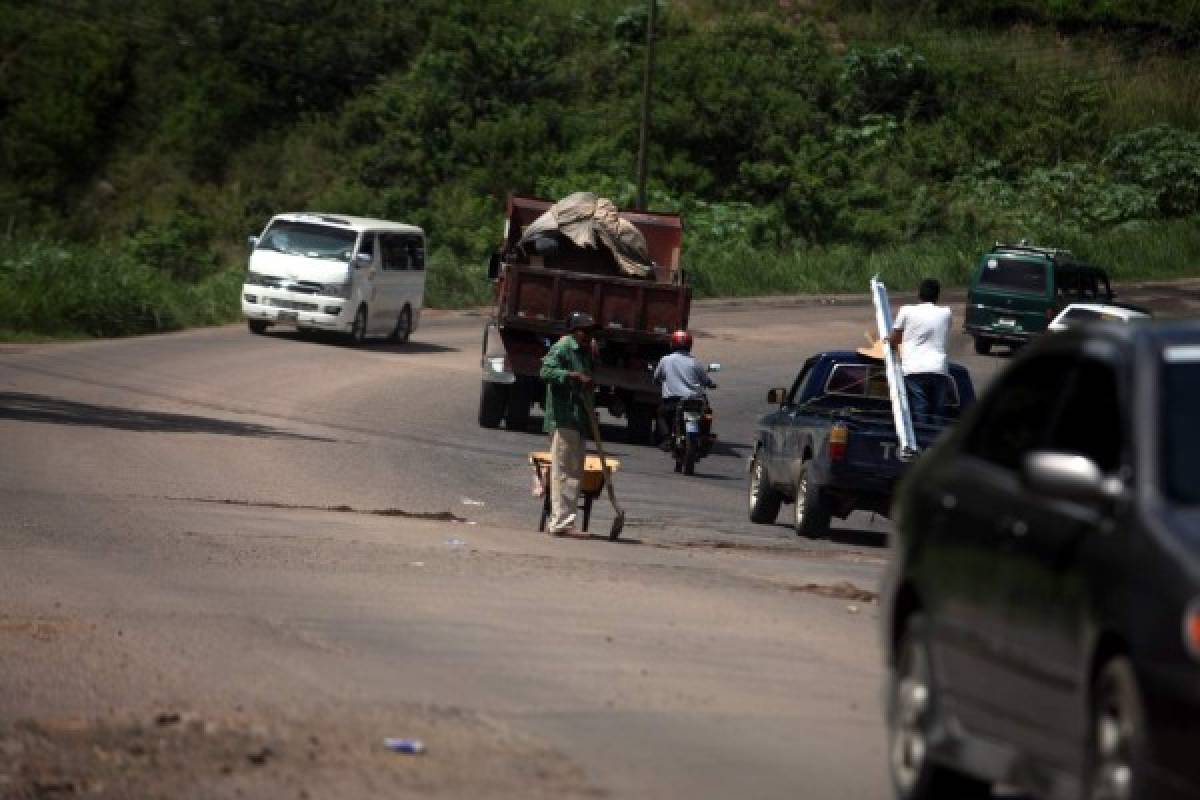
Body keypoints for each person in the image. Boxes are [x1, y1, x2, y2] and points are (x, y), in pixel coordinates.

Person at [539, 311, 597, 536]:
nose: (590, 335)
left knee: (574, 473)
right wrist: (571, 375)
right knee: (564, 472)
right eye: (587, 331)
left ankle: (566, 521)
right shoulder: (563, 347)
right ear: (576, 331)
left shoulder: (584, 351)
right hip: (564, 417)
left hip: (578, 419)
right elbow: (546, 371)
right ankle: (561, 523)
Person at [889, 278, 953, 423]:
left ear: (919, 294)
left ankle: (921, 438)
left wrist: (889, 341)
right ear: (937, 296)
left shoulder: (906, 310)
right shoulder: (946, 313)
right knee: (938, 410)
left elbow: (895, 339)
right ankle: (935, 440)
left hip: (914, 369)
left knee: (920, 407)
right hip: (938, 368)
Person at [653, 330, 716, 449]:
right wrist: (711, 384)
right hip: (696, 400)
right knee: (707, 413)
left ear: (672, 344)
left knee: (661, 413)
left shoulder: (666, 360)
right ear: (689, 345)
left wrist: (659, 381)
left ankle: (666, 439)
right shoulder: (695, 362)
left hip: (673, 402)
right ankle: (705, 436)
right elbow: (706, 380)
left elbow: (657, 377)